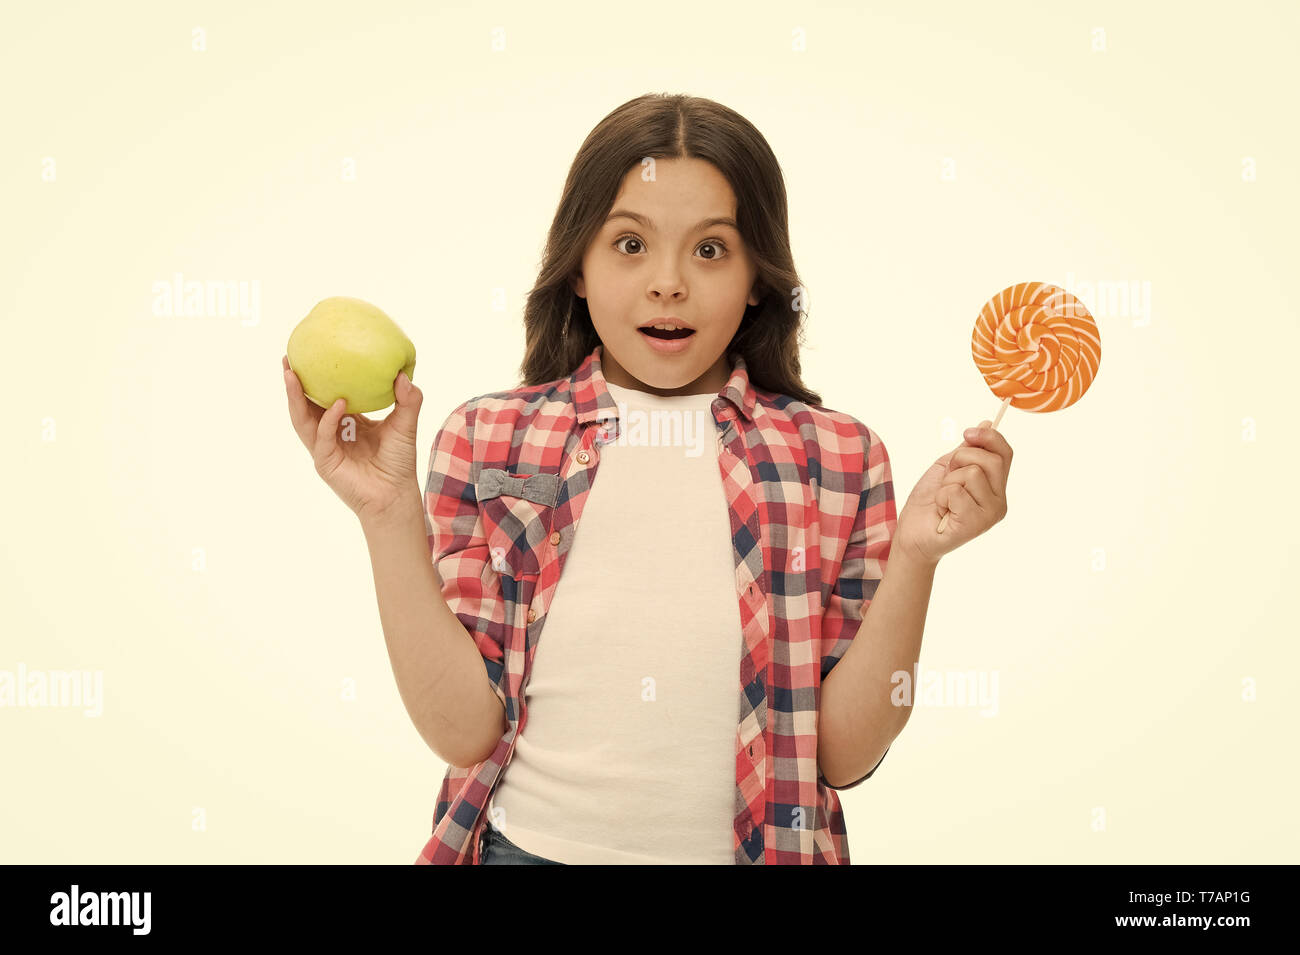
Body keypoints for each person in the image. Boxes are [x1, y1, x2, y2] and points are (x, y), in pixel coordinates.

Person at [283, 92, 1013, 865]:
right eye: (630, 244)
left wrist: (916, 558)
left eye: (710, 250)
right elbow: (463, 731)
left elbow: (842, 754)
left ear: (758, 277)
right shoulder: (488, 437)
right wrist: (389, 512)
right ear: (578, 270)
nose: (668, 282)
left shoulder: (838, 456)